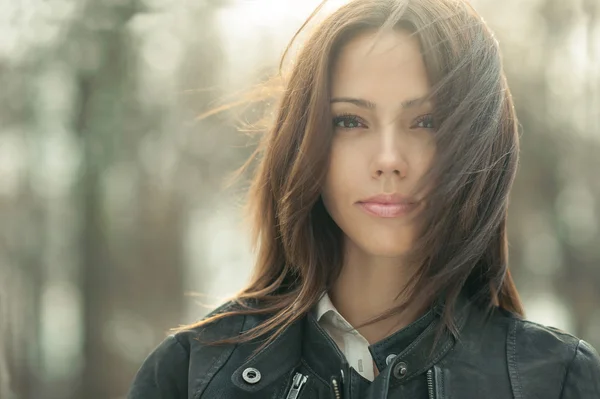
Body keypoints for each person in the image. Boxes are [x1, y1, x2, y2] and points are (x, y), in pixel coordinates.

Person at [127, 0, 600, 398]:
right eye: (351, 121)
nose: (389, 159)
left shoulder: (558, 380)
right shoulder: (192, 374)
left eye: (427, 122)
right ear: (305, 140)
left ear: (482, 144)